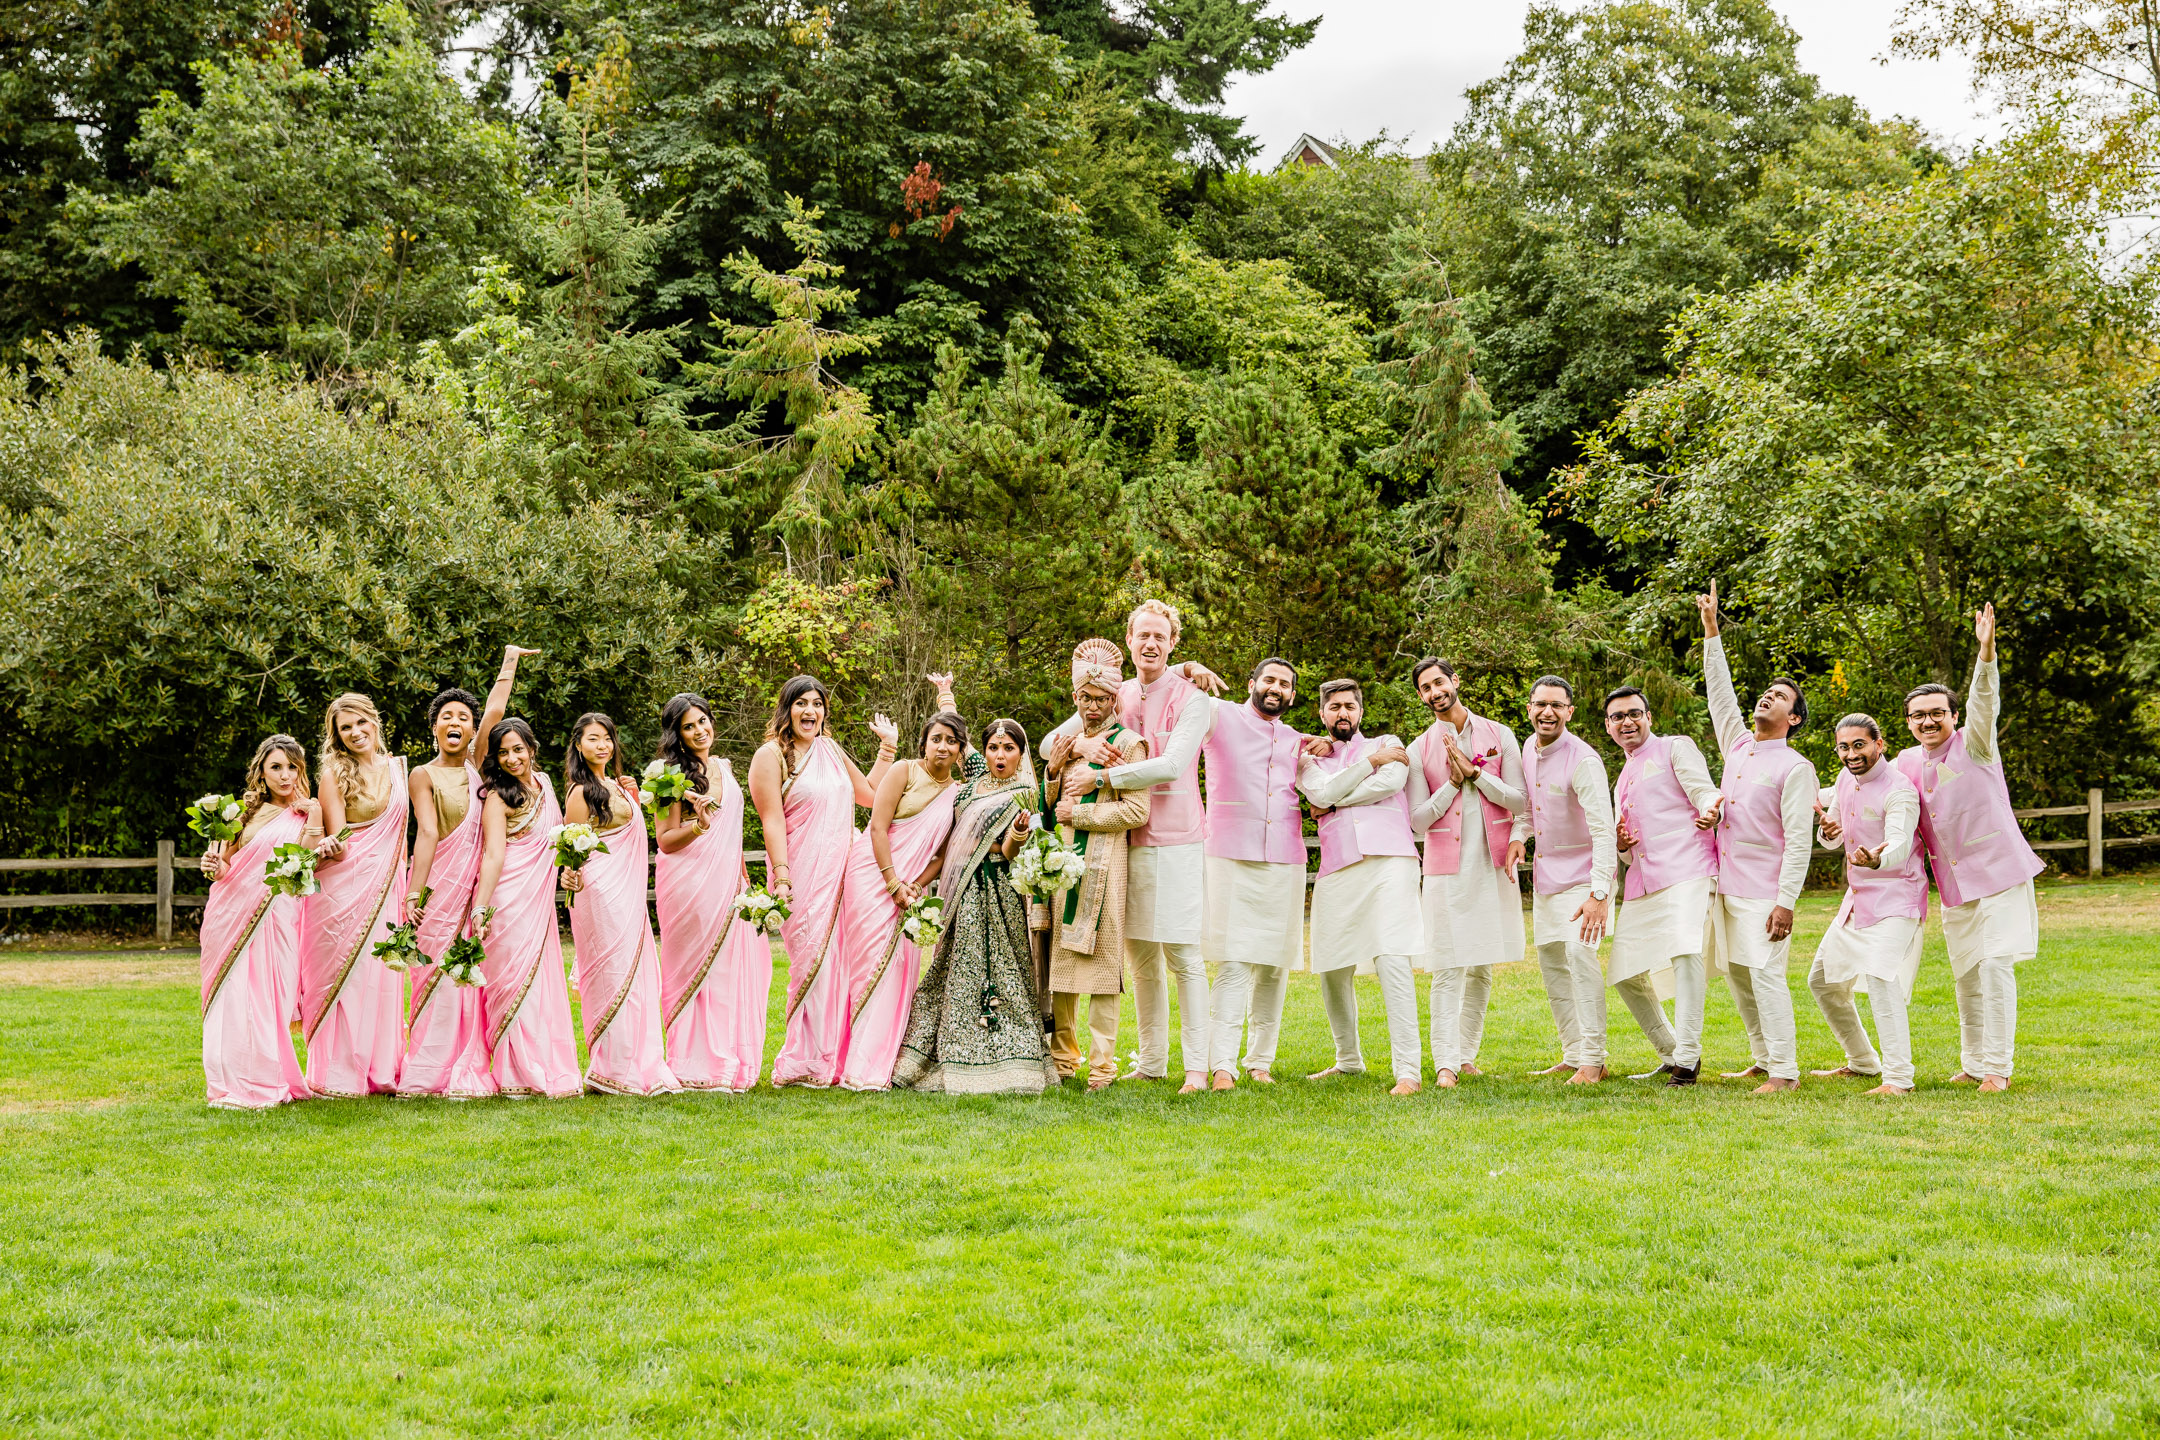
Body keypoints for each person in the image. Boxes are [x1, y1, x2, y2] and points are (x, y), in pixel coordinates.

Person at [1046, 601, 1225, 1093]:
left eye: (1160, 637)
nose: (1150, 643)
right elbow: (1048, 745)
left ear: (1173, 644)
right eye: (1142, 634)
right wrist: (1080, 747)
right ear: (1128, 640)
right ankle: (1151, 1061)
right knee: (1140, 958)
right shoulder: (1113, 692)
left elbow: (1169, 765)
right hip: (1122, 846)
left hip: (1177, 840)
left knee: (1183, 956)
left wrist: (1101, 774)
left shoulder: (1192, 698)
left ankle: (1195, 1067)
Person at [1897, 603, 2044, 1093]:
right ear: (1908, 723)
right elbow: (1869, 790)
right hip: (1954, 886)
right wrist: (1829, 809)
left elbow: (1986, 702)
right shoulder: (1904, 763)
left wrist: (1986, 653)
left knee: (1996, 966)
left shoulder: (1976, 745)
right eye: (1918, 716)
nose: (1928, 721)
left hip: (2000, 871)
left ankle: (1998, 1068)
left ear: (1953, 717)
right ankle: (1973, 1062)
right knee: (1965, 974)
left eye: (1937, 713)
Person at [1699, 583, 1819, 1094]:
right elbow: (1720, 694)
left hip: (1767, 891)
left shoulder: (1797, 767)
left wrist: (1786, 902)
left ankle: (1786, 1073)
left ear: (1793, 719)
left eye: (1781, 697)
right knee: (1739, 975)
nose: (1767, 697)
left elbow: (1799, 840)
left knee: (1766, 975)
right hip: (1727, 883)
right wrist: (1711, 632)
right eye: (1766, 692)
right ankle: (1763, 1057)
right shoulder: (1739, 746)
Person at [892, 720, 1057, 1094]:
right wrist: (946, 696)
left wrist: (1013, 836)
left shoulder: (1026, 794)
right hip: (963, 892)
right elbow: (952, 843)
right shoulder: (968, 789)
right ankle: (947, 1052)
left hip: (1002, 891)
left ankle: (1012, 1056)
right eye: (994, 748)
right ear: (983, 752)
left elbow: (1015, 853)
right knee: (958, 968)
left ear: (1021, 753)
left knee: (1006, 968)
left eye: (1009, 748)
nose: (1000, 755)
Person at [399, 647, 534, 1099]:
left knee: (470, 973)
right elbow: (427, 834)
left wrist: (509, 661)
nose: (455, 723)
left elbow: (496, 705)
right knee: (434, 972)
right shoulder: (421, 774)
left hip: (479, 888)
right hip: (440, 888)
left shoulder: (479, 765)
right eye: (446, 716)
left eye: (464, 718)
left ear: (474, 730)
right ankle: (428, 1070)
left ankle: (469, 1062)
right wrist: (415, 896)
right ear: (434, 726)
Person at [755, 676, 899, 1089]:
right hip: (798, 875)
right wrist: (781, 876)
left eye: (817, 704)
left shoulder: (830, 749)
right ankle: (804, 1061)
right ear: (786, 709)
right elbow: (772, 820)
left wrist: (887, 747)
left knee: (841, 964)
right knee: (810, 965)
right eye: (801, 703)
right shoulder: (771, 756)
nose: (810, 712)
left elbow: (870, 795)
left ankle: (835, 1057)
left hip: (842, 874)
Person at [1404, 658, 1527, 1088]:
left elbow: (1520, 801)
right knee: (1447, 963)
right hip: (1445, 869)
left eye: (1439, 682)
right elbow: (1418, 819)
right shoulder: (1419, 748)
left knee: (1481, 965)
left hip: (1491, 863)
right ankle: (1445, 1064)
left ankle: (1467, 1053)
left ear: (1455, 681)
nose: (1434, 691)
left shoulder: (1500, 735)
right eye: (1425, 688)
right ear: (1421, 696)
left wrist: (1476, 774)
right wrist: (1453, 784)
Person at [835, 694, 967, 1091]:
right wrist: (892, 882)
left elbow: (944, 851)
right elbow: (877, 827)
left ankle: (884, 1060)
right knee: (866, 964)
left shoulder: (958, 793)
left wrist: (917, 885)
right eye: (936, 738)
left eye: (951, 741)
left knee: (900, 968)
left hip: (912, 889)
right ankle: (852, 1060)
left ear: (961, 750)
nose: (942, 747)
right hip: (872, 874)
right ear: (923, 742)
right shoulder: (904, 772)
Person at [1297, 679, 1423, 1095]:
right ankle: (1348, 1060)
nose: (1342, 713)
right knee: (1331, 967)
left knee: (1391, 957)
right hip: (1338, 867)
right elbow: (1319, 789)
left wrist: (1334, 804)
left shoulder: (1388, 741)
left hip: (1390, 860)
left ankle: (1409, 1071)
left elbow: (1390, 784)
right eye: (1334, 707)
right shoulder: (1308, 758)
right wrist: (1366, 767)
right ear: (1322, 714)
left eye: (1349, 706)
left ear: (1361, 712)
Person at [1041, 641, 1151, 1092]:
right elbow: (1048, 807)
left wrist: (1080, 815)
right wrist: (1052, 773)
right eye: (1085, 698)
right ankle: (1064, 1060)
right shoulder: (1067, 744)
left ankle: (1103, 1067)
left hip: (1106, 868)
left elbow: (1136, 812)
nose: (1092, 706)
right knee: (1062, 967)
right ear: (1075, 699)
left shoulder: (1130, 745)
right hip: (1063, 867)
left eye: (1101, 699)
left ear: (1115, 700)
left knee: (1104, 970)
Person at [653, 692, 773, 1093]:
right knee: (695, 969)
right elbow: (666, 840)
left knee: (729, 970)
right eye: (689, 726)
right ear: (678, 734)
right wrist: (700, 827)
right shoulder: (668, 776)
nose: (700, 730)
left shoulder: (723, 766)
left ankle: (728, 1060)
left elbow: (733, 833)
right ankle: (691, 1063)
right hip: (689, 883)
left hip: (729, 882)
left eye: (703, 721)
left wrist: (745, 882)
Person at [1200, 657, 1310, 1090]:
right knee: (1235, 959)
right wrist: (1189, 667)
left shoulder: (1297, 739)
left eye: (1285, 684)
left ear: (1292, 695)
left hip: (1285, 857)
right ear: (1252, 683)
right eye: (1269, 680)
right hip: (1229, 853)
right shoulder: (1221, 714)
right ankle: (1221, 1063)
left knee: (1274, 966)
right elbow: (1173, 697)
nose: (1276, 688)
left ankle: (1260, 1060)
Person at [560, 712, 679, 1096]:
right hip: (598, 890)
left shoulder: (618, 784)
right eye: (593, 739)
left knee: (635, 971)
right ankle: (611, 1066)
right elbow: (571, 845)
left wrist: (630, 792)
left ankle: (637, 1060)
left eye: (607, 738)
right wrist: (569, 877)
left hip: (627, 892)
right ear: (578, 745)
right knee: (612, 971)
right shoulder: (581, 791)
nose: (602, 745)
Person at [197, 735, 319, 1110]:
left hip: (279, 914)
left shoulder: (310, 811)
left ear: (301, 770)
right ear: (261, 774)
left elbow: (311, 857)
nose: (285, 776)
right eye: (276, 768)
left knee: (272, 998)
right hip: (230, 913)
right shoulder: (241, 814)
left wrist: (312, 811)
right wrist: (212, 865)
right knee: (233, 997)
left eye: (292, 767)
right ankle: (232, 1081)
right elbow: (225, 864)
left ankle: (268, 1078)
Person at [1808, 714, 1927, 1095]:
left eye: (1859, 745)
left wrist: (1877, 859)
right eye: (1844, 747)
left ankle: (1898, 1079)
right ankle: (1862, 1062)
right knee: (1822, 982)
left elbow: (1899, 841)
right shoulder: (1845, 780)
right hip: (1857, 900)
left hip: (1898, 898)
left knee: (1880, 978)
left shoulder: (1900, 790)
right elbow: (1836, 830)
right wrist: (1828, 832)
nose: (1851, 754)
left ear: (1880, 744)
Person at [1605, 686, 1718, 1084]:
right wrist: (1620, 845)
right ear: (1608, 726)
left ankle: (1688, 1060)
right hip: (1642, 881)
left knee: (1686, 954)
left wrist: (1710, 810)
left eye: (1634, 713)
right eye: (1618, 716)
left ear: (1649, 717)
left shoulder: (1675, 747)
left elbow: (1704, 790)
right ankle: (1671, 1052)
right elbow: (1623, 847)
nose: (1627, 721)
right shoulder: (1620, 779)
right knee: (1623, 973)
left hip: (1688, 867)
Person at [299, 692, 408, 1097]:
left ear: (374, 721)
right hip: (344, 889)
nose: (355, 732)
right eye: (346, 728)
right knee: (347, 976)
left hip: (387, 888)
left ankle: (380, 1070)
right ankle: (338, 1073)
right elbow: (340, 840)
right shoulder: (334, 775)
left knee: (380, 974)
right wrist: (325, 842)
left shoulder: (399, 769)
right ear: (337, 735)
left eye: (360, 723)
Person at [471, 718, 581, 1098]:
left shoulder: (547, 785)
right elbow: (493, 856)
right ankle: (515, 1072)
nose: (512, 758)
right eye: (503, 752)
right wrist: (480, 910)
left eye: (518, 749)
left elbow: (564, 836)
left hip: (540, 900)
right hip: (508, 898)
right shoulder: (497, 798)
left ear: (532, 749)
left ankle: (544, 1064)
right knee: (511, 982)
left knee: (539, 984)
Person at [1519, 675, 1620, 1084]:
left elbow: (1603, 830)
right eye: (1541, 704)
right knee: (1552, 964)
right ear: (1529, 708)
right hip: (1546, 878)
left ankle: (1594, 1060)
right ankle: (1573, 1051)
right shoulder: (1527, 748)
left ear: (1570, 712)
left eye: (1557, 705)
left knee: (1581, 959)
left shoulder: (1585, 760)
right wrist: (1516, 838)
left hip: (1585, 879)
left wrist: (1599, 894)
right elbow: (1528, 809)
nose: (1548, 712)